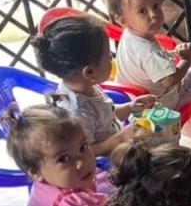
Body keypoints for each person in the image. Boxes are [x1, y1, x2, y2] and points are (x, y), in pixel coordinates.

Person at [33, 8, 155, 157]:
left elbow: (104, 117)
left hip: (115, 139)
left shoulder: (86, 88)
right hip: (104, 164)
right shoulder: (76, 112)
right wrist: (120, 139)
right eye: (108, 56)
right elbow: (85, 152)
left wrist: (130, 107)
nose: (111, 59)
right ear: (89, 72)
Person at [106, 0, 191, 111]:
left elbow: (147, 62)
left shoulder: (129, 35)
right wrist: (186, 59)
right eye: (142, 11)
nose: (153, 14)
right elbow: (170, 80)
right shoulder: (148, 51)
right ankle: (177, 109)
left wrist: (173, 55)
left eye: (156, 6)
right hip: (155, 108)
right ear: (123, 20)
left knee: (186, 65)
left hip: (128, 98)